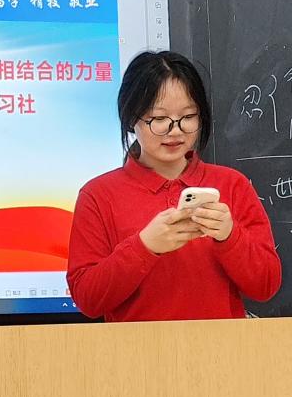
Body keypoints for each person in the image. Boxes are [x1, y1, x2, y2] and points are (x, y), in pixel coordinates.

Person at [66, 50, 281, 321]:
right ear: (131, 118)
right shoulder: (98, 195)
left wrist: (230, 236)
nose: (175, 130)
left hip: (222, 347)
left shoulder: (232, 185)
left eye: (188, 117)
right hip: (137, 348)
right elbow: (88, 299)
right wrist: (144, 246)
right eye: (159, 119)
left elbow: (266, 286)